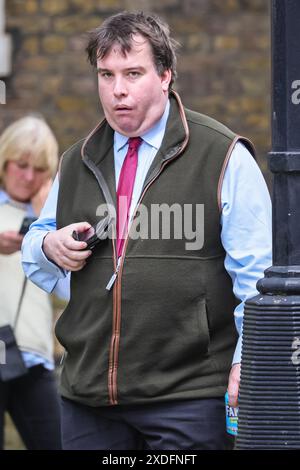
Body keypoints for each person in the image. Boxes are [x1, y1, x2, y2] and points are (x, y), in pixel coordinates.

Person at [21, 12, 272, 450]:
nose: (117, 89)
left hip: (189, 399)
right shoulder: (75, 160)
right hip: (88, 399)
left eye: (133, 73)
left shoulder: (224, 155)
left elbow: (259, 278)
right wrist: (48, 244)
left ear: (165, 75)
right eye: (106, 75)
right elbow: (37, 251)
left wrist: (247, 365)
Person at [0, 115, 67, 450]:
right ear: (4, 160)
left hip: (33, 357)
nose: (28, 177)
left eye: (39, 169)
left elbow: (69, 288)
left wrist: (49, 225)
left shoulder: (53, 219)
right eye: (20, 165)